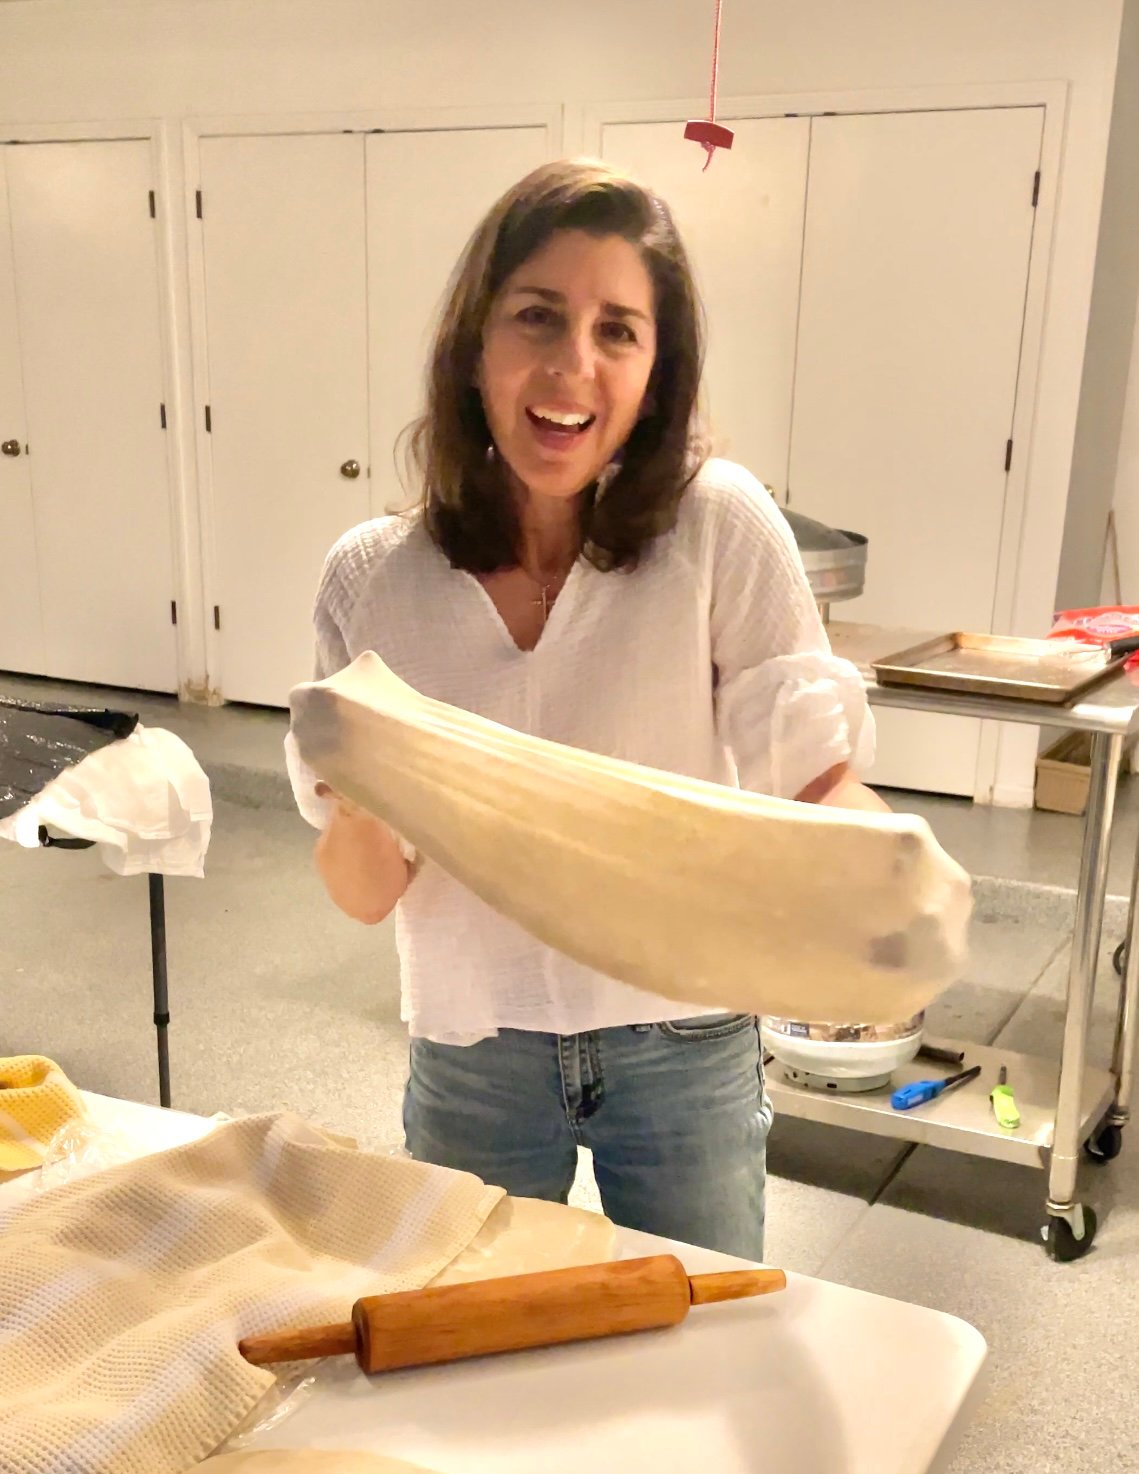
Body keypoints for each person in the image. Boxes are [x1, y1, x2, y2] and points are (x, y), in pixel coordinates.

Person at [288, 158, 881, 1262]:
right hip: (475, 1046)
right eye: (537, 316)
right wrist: (363, 787)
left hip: (685, 1030)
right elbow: (364, 890)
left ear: (655, 375)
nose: (573, 365)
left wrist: (888, 870)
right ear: (475, 346)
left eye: (618, 330)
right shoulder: (373, 582)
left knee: (705, 1345)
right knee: (478, 1355)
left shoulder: (715, 529)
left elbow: (813, 767)